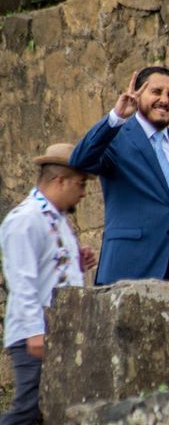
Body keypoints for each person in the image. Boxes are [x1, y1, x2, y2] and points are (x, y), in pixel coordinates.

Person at [69, 66, 169, 285]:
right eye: (156, 92)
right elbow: (80, 160)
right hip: (127, 268)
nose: (164, 100)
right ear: (138, 94)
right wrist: (116, 117)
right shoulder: (117, 137)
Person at [0, 143, 96, 424]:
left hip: (58, 329)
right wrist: (34, 332)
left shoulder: (56, 219)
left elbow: (49, 271)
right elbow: (22, 281)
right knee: (29, 410)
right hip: (37, 332)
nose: (83, 192)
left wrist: (78, 262)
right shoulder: (26, 220)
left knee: (53, 409)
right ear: (59, 180)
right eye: (80, 183)